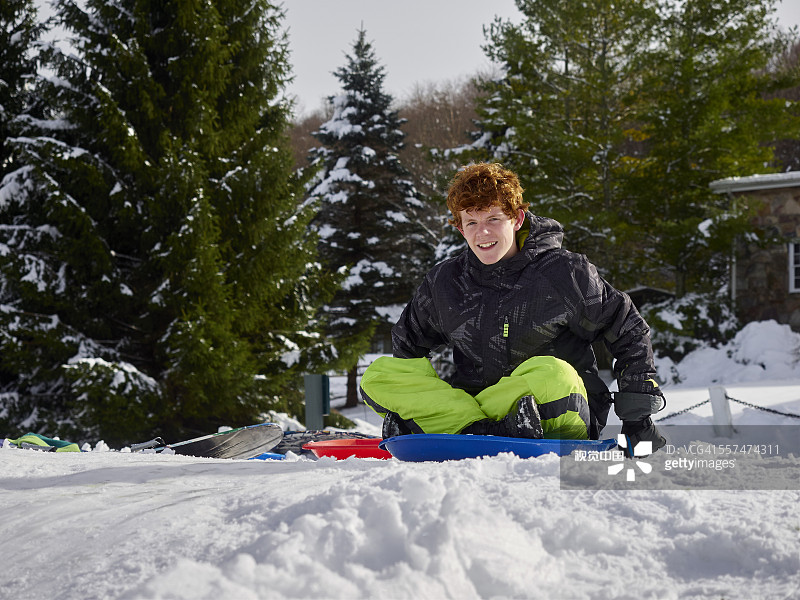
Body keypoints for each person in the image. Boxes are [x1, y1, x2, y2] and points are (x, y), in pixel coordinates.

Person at [359, 162, 666, 454]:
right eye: (472, 222)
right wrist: (421, 402)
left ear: (517, 219)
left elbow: (628, 327)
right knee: (379, 375)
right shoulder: (446, 282)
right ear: (460, 229)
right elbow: (407, 350)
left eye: (493, 219)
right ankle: (478, 430)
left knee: (554, 372)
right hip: (481, 407)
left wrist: (637, 417)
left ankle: (462, 429)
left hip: (551, 406)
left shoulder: (563, 273)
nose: (483, 234)